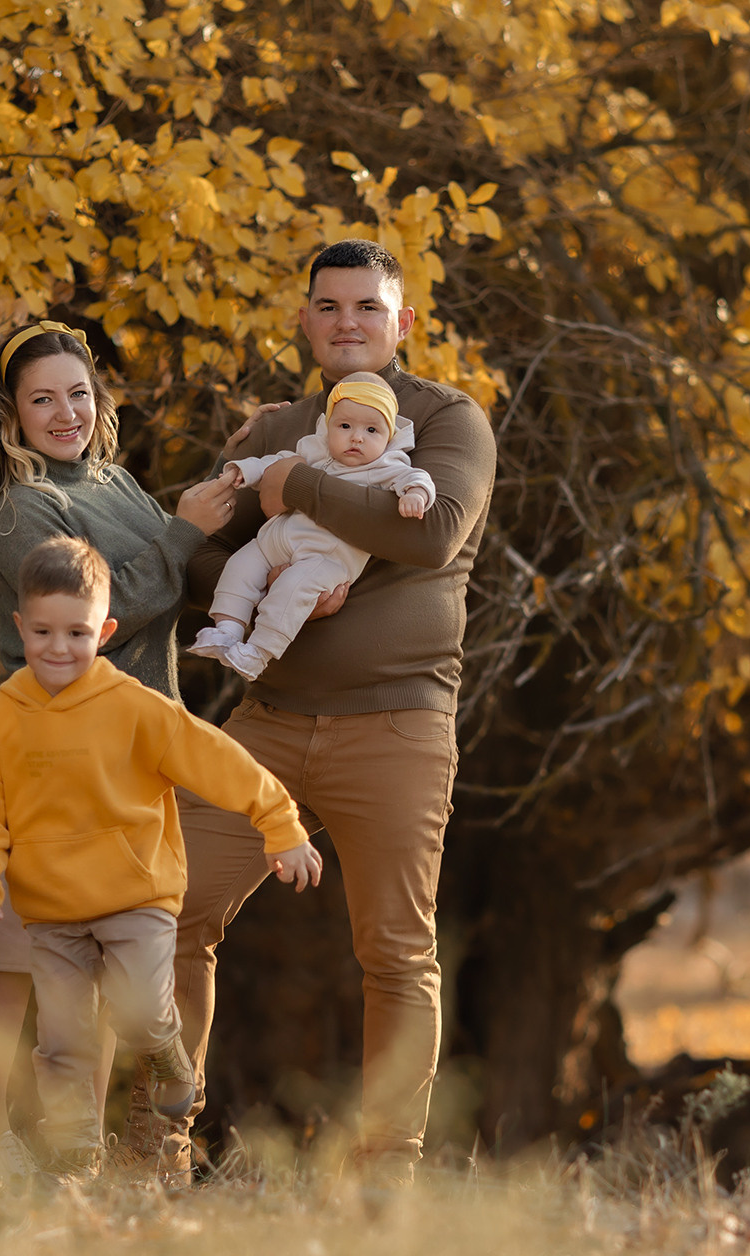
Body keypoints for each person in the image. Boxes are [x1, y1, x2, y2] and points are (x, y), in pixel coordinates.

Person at [132, 238, 498, 1183]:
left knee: (396, 950)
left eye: (367, 308)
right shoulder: (272, 429)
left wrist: (296, 492)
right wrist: (279, 558)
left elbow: (431, 534)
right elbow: (199, 555)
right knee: (171, 909)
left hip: (398, 724)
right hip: (270, 722)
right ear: (306, 320)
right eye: (329, 306)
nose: (347, 323)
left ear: (402, 322)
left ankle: (387, 1173)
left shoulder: (448, 420)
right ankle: (153, 1144)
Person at [0, 319, 239, 1178]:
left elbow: (167, 574)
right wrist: (182, 533)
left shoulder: (113, 480)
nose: (66, 411)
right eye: (43, 398)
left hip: (138, 755)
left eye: (78, 392)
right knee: (13, 957)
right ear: (11, 414)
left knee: (133, 947)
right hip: (47, 756)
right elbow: (115, 601)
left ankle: (125, 1149)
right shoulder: (20, 509)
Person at [0, 536, 323, 1175]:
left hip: (135, 897)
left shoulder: (133, 708)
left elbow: (219, 762)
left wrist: (280, 824)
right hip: (51, 911)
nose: (58, 648)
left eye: (76, 633)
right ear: (20, 626)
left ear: (106, 630)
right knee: (63, 1044)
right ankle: (77, 1160)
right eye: (42, 632)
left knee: (141, 1012)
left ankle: (170, 1056)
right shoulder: (1, 717)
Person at [188, 370, 435, 680]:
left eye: (371, 429)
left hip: (325, 557)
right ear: (327, 426)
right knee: (240, 566)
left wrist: (416, 494)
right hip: (276, 542)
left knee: (293, 590)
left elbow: (416, 477)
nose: (356, 437)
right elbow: (275, 462)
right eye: (345, 426)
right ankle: (227, 629)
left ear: (388, 437)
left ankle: (258, 653)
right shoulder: (314, 450)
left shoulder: (385, 464)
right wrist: (246, 470)